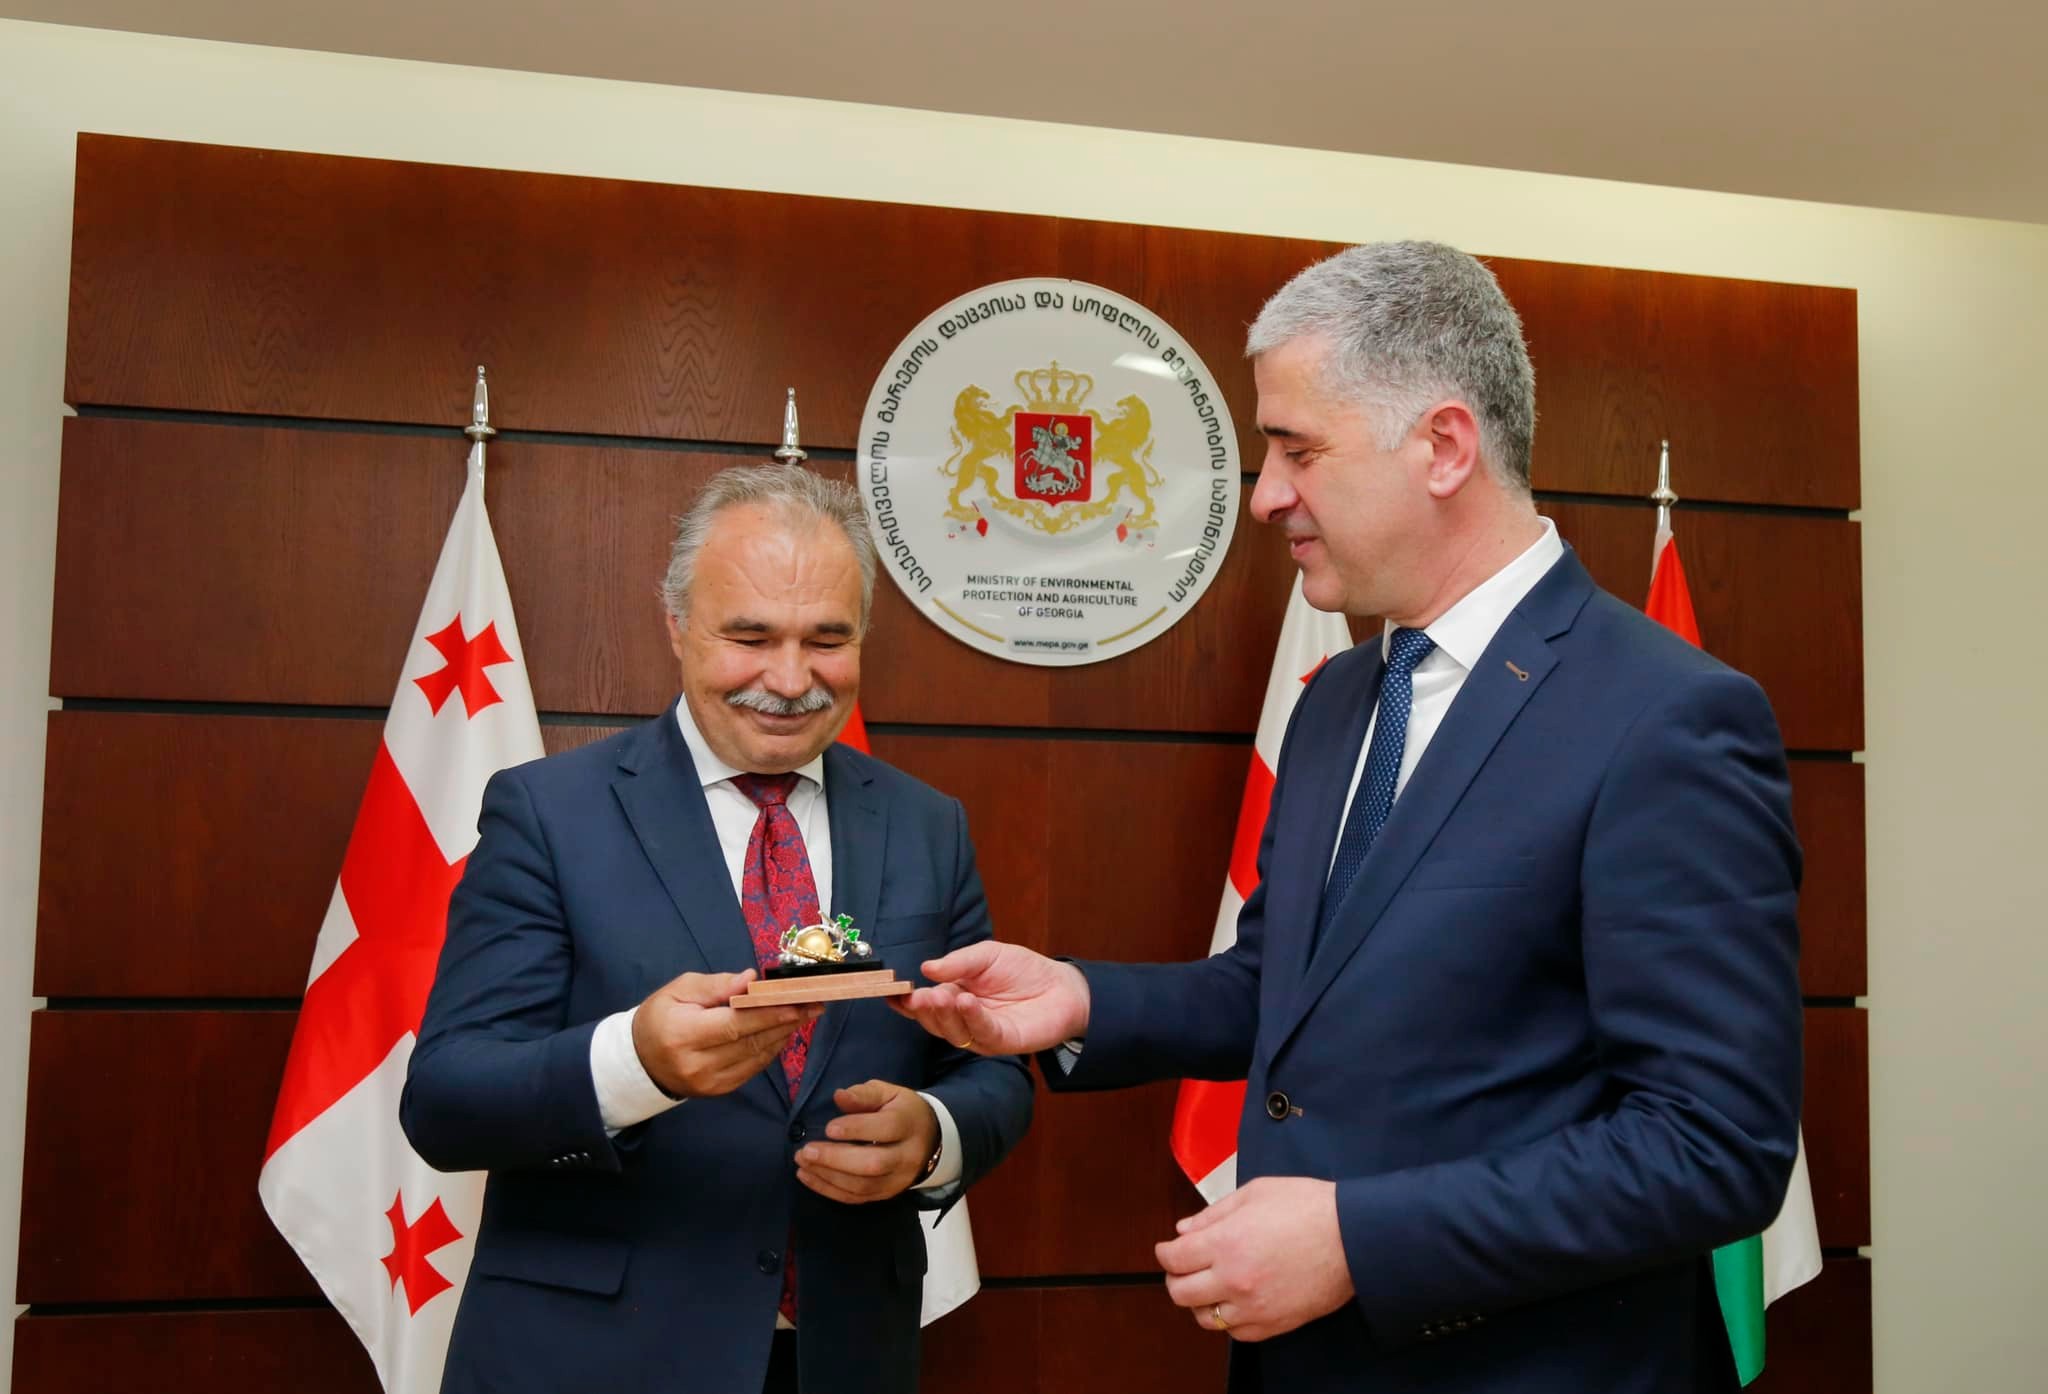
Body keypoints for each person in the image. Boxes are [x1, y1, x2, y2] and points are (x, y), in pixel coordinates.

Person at [895, 241, 1803, 1393]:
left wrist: (1355, 1241)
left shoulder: (1663, 715)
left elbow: (1710, 1145)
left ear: (1441, 447)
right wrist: (1079, 1000)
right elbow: (1285, 984)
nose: (1265, 494)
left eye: (1296, 449)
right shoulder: (1335, 701)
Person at [402, 462, 1033, 1394]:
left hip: (844, 1355)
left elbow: (989, 1067)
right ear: (676, 626)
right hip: (596, 1361)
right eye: (750, 636)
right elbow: (446, 1101)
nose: (791, 679)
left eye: (827, 640)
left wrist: (934, 1136)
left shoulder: (927, 825)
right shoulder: (548, 813)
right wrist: (636, 1064)